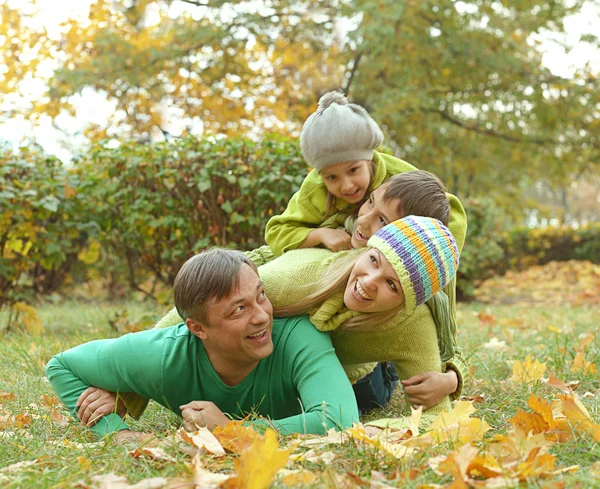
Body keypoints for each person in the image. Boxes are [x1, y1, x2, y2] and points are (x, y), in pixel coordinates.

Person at [152, 216, 461, 425]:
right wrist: (120, 391)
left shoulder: (413, 326)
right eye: (373, 260)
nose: (369, 281)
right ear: (366, 250)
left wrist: (380, 429)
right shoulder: (294, 279)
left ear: (408, 301)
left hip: (338, 377)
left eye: (392, 285)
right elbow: (185, 318)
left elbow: (438, 421)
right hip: (275, 359)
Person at [45, 249, 359, 439]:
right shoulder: (163, 356)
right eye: (239, 309)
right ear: (198, 328)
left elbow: (340, 419)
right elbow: (62, 365)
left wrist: (231, 430)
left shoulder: (298, 335)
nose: (262, 316)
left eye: (261, 296)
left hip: (363, 381)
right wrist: (118, 433)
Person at [264, 91, 467, 257]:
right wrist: (319, 234)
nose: (346, 186)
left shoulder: (397, 177)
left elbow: (450, 211)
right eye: (331, 177)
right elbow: (276, 233)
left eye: (353, 170)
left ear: (369, 159)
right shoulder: (316, 188)